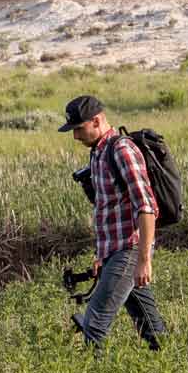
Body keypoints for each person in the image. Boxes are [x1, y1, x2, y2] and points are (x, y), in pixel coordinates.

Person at [60, 93, 167, 355]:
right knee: (150, 326)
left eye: (78, 128)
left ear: (97, 120)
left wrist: (143, 259)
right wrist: (102, 257)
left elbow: (147, 206)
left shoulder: (122, 150)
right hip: (115, 252)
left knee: (93, 324)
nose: (75, 136)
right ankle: (173, 368)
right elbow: (108, 209)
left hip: (129, 251)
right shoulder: (98, 153)